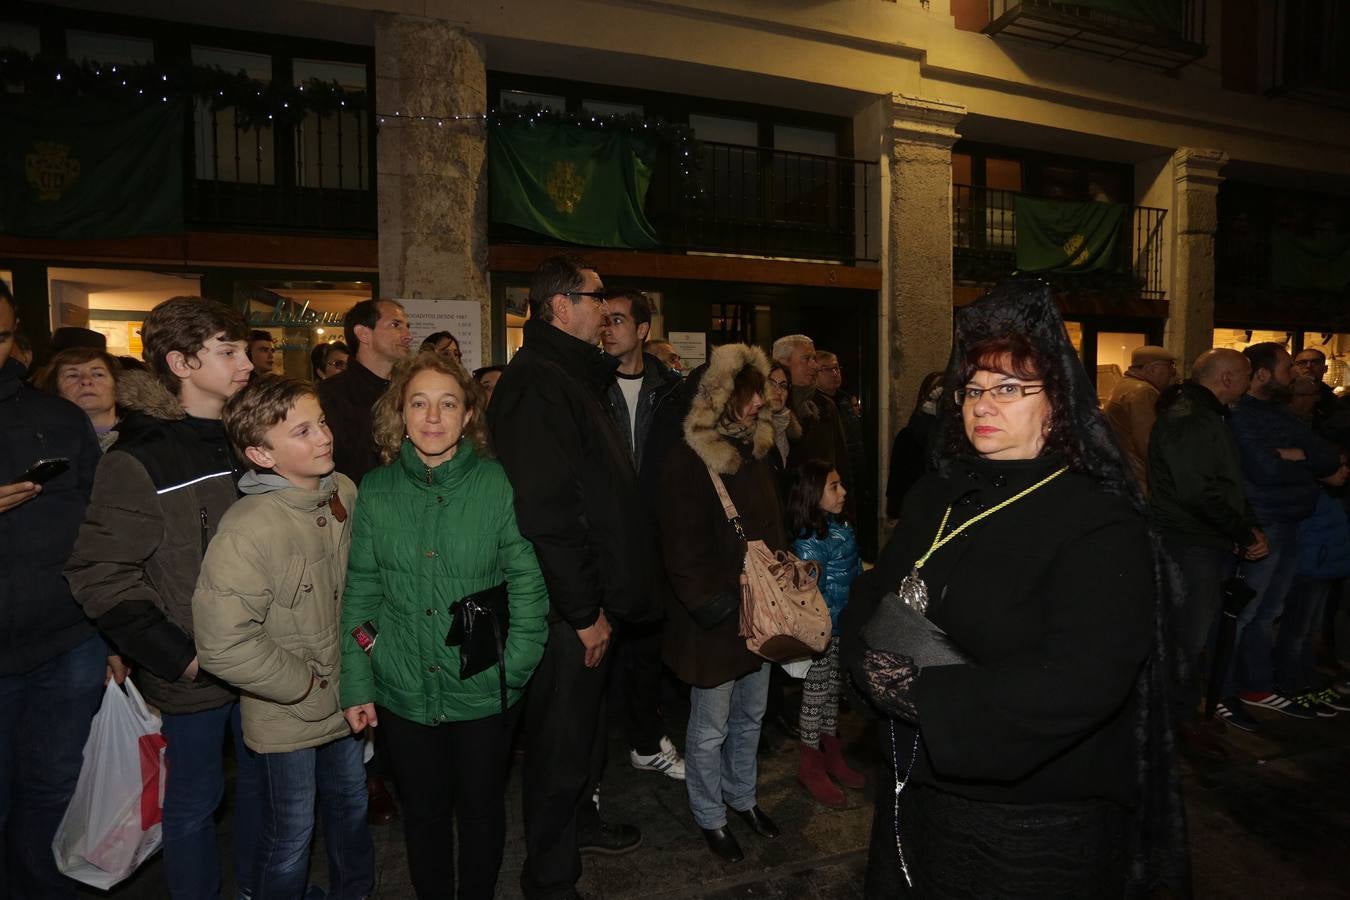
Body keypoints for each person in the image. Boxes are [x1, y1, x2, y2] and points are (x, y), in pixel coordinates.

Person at [843, 280, 1187, 898]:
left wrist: (918, 693)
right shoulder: (936, 494)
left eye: (1007, 389)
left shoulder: (1097, 520)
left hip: (1032, 817)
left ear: (1055, 401)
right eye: (972, 389)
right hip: (917, 782)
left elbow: (1083, 679)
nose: (981, 404)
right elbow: (876, 593)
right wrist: (865, 664)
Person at [65, 296, 261, 900]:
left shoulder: (247, 438)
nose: (247, 363)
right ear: (180, 362)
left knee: (262, 796)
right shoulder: (138, 457)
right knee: (195, 805)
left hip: (262, 661)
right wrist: (180, 657)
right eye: (228, 352)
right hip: (194, 673)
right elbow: (100, 574)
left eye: (246, 349)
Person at [342, 352, 548, 900]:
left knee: (481, 813)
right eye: (419, 403)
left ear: (467, 416)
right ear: (400, 414)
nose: (433, 417)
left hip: (483, 687)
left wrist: (518, 663)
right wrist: (363, 673)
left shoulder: (498, 484)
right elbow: (362, 591)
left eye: (448, 403)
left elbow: (527, 581)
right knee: (425, 817)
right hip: (402, 691)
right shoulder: (378, 491)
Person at [488, 255, 657, 897]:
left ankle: (577, 828)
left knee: (584, 737)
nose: (605, 308)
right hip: (563, 609)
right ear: (561, 306)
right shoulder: (539, 382)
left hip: (586, 599)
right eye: (596, 297)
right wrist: (584, 612)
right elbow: (549, 511)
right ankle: (550, 877)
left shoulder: (569, 374)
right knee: (559, 747)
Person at [191, 376, 373, 900]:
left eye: (321, 423)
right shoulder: (248, 529)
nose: (323, 437)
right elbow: (223, 643)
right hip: (287, 707)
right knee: (291, 832)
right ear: (261, 454)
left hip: (347, 696)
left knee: (351, 808)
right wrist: (304, 685)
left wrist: (362, 664)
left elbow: (360, 586)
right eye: (302, 431)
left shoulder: (342, 490)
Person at [0, 284, 107, 900]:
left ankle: (36, 883)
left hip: (66, 639)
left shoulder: (56, 418)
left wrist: (110, 633)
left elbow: (96, 528)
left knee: (50, 785)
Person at [659, 342, 784, 864]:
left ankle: (743, 797)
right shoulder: (687, 460)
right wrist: (715, 607)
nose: (761, 404)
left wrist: (781, 588)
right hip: (715, 621)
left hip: (762, 615)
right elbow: (679, 550)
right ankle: (710, 815)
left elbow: (775, 529)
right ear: (722, 396)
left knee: (751, 718)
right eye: (752, 394)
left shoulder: (757, 452)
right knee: (709, 729)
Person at [1148, 348, 1265, 757]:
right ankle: (1173, 724)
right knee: (1184, 639)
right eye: (1248, 376)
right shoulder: (1191, 417)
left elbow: (1222, 481)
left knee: (1189, 639)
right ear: (1228, 379)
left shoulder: (1203, 414)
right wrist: (1242, 530)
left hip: (1199, 539)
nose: (1252, 384)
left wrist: (1242, 527)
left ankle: (1183, 718)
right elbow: (1198, 490)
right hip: (1188, 543)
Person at [1218, 342, 1341, 731]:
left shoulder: (1278, 414)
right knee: (1245, 613)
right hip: (1263, 523)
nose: (1297, 375)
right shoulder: (1239, 417)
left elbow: (1326, 458)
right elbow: (1264, 469)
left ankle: (1257, 686)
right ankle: (1223, 693)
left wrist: (1296, 456)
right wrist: (1300, 459)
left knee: (1268, 612)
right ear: (1262, 374)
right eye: (1289, 367)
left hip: (1289, 521)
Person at [599, 289, 686, 780]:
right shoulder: (588, 387)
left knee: (647, 647)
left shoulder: (672, 390)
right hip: (606, 538)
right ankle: (590, 773)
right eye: (603, 320)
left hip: (654, 538)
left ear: (642, 331)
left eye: (617, 320)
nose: (607, 328)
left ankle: (644, 741)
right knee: (599, 652)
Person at [787, 459, 865, 807]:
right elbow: (807, 593)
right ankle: (810, 765)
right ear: (813, 494)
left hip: (840, 628)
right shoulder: (808, 541)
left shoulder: (840, 526)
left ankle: (832, 754)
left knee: (833, 694)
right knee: (815, 697)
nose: (843, 491)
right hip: (820, 634)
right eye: (834, 486)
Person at [318, 299, 412, 487]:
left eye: (407, 327)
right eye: (396, 325)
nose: (408, 336)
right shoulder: (328, 396)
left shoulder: (412, 390)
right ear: (363, 334)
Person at [772, 335, 849, 484]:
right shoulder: (768, 409)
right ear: (784, 363)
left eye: (814, 359)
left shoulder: (825, 406)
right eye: (806, 359)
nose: (815, 366)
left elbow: (842, 463)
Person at [1103, 345, 1176, 494]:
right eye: (1170, 367)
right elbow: (1148, 445)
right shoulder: (1143, 392)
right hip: (1139, 478)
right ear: (1152, 369)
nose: (1174, 373)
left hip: (1122, 473)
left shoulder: (1123, 385)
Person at [885, 371, 943, 520]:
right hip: (918, 514)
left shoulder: (959, 435)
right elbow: (897, 484)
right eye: (937, 389)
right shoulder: (909, 435)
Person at [42, 347, 123, 451]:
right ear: (55, 389)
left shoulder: (144, 437)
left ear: (117, 386)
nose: (86, 381)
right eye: (73, 375)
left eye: (98, 374)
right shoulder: (41, 444)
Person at [815, 351, 864, 491]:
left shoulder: (846, 401)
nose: (835, 373)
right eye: (826, 369)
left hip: (853, 474)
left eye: (836, 368)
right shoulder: (813, 405)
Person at [1293, 347, 1337, 427]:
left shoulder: (1334, 403)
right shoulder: (1282, 396)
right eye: (1302, 363)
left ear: (1325, 369)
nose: (1308, 366)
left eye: (1315, 362)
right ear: (1294, 368)